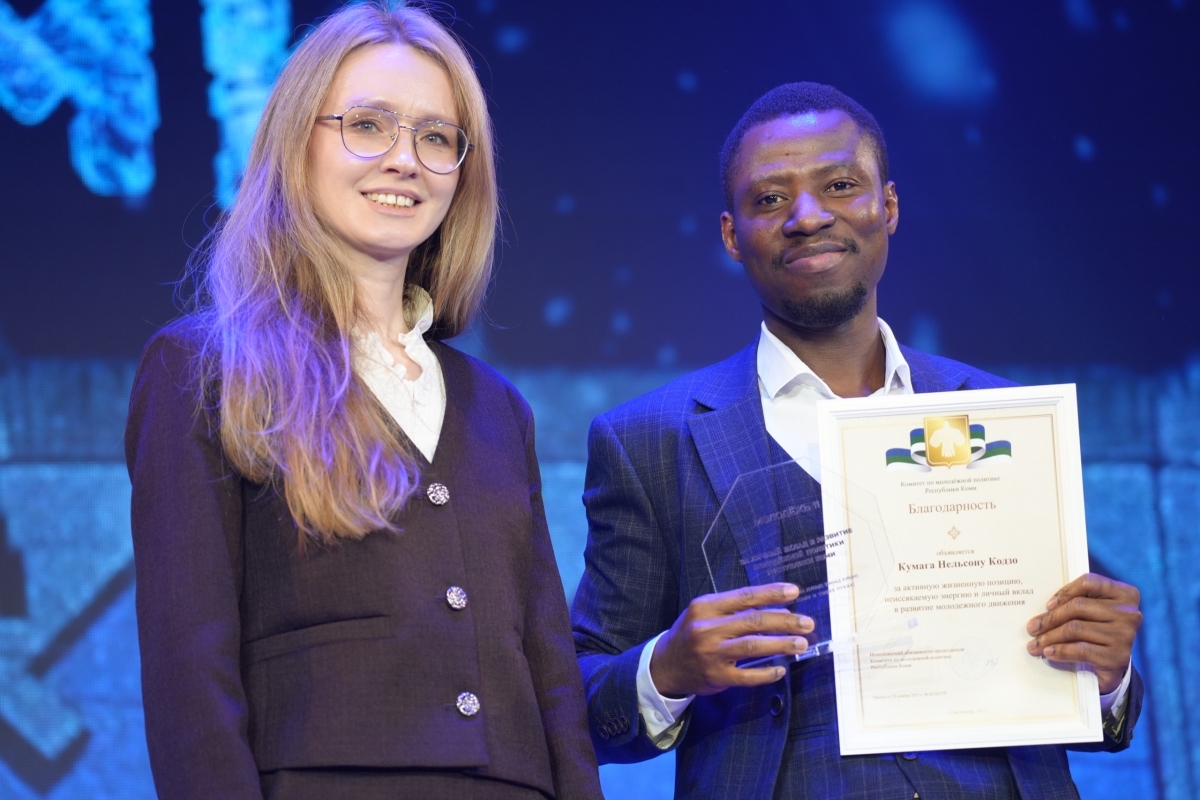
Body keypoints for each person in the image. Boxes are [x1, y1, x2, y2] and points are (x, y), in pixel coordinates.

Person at [572, 82, 1143, 799]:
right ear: (731, 234)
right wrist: (667, 669)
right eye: (770, 198)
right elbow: (579, 702)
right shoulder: (648, 440)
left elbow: (1083, 685)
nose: (808, 217)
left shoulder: (1005, 419)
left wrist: (1109, 675)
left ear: (889, 206)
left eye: (840, 185)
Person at [125, 3, 601, 798]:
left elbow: (550, 672)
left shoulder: (497, 406)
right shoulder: (203, 370)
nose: (405, 160)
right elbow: (189, 680)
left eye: (436, 137)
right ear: (296, 142)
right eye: (369, 126)